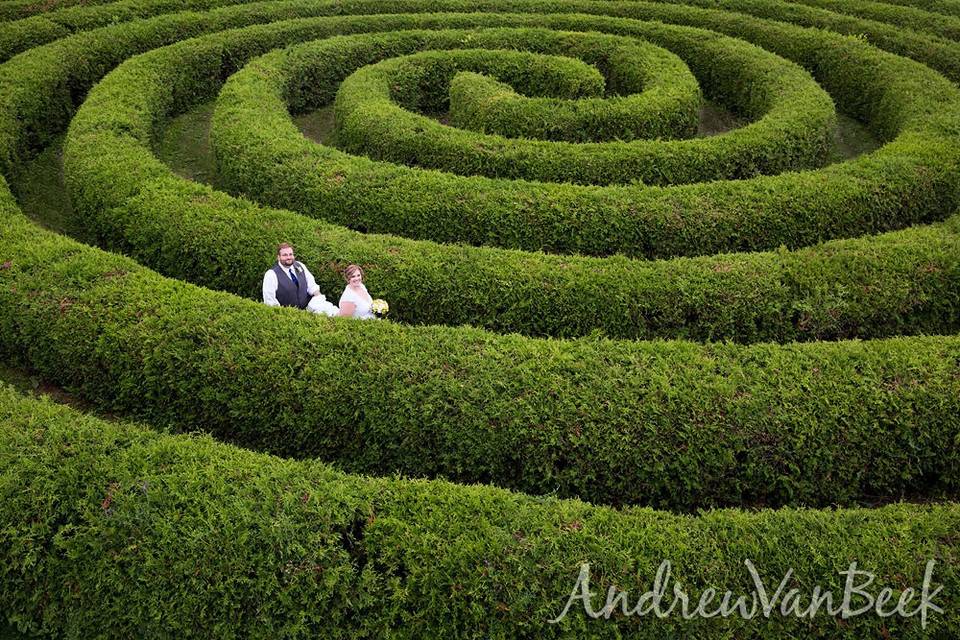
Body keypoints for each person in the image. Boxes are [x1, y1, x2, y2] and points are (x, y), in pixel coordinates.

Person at [262, 243, 339, 317]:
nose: (289, 257)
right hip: (289, 316)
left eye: (290, 254)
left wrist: (318, 298)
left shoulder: (300, 265)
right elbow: (270, 301)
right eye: (285, 255)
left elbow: (311, 285)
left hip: (310, 311)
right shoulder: (271, 274)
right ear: (278, 257)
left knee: (334, 312)